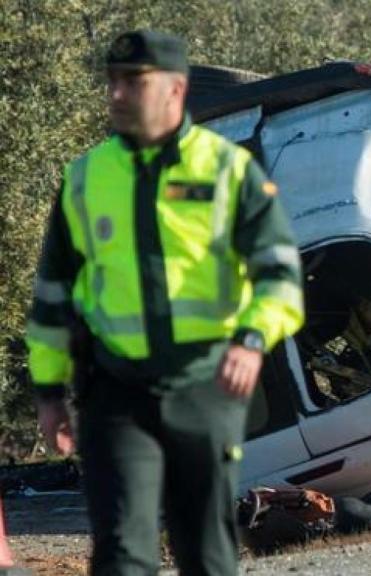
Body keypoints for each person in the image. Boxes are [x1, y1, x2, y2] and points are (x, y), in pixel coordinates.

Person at [25, 30, 304, 575]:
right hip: (114, 391)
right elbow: (53, 292)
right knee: (121, 554)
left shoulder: (227, 171)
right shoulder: (84, 178)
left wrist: (251, 341)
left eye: (135, 82)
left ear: (175, 89)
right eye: (113, 81)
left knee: (206, 553)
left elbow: (280, 276)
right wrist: (48, 392)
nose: (117, 94)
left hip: (204, 389)